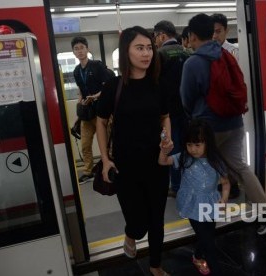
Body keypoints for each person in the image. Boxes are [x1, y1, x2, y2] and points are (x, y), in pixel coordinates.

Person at [180, 13, 266, 235]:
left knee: (203, 172)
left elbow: (186, 99)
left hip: (207, 128)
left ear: (193, 36)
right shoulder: (227, 55)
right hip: (234, 123)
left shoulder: (193, 62)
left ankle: (206, 222)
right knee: (241, 167)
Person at [96, 26, 172, 276]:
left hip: (156, 164)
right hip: (125, 166)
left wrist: (166, 143)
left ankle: (155, 266)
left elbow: (165, 117)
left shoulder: (158, 85)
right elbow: (101, 121)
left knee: (156, 219)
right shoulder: (114, 86)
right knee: (139, 224)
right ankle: (130, 235)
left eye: (149, 47)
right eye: (139, 48)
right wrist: (105, 160)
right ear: (126, 52)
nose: (146, 53)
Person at [158, 119, 231, 275]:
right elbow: (162, 161)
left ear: (208, 143)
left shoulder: (216, 161)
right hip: (191, 204)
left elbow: (225, 184)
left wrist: (224, 199)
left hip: (211, 204)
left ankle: (197, 256)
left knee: (208, 235)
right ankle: (215, 270)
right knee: (209, 244)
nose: (192, 149)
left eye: (197, 145)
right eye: (189, 144)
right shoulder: (184, 157)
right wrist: (164, 150)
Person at [153, 20, 190, 198]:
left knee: (172, 146)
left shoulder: (159, 54)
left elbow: (155, 83)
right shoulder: (188, 52)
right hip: (187, 110)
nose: (155, 41)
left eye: (155, 37)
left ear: (162, 35)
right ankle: (189, 179)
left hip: (168, 111)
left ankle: (176, 185)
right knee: (188, 145)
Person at [72, 36, 111, 183]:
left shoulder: (97, 66)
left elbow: (108, 87)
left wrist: (94, 97)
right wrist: (79, 109)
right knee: (85, 144)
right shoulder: (76, 71)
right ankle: (88, 171)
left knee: (106, 142)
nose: (80, 51)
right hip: (86, 114)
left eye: (82, 47)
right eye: (76, 49)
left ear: (87, 49)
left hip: (101, 112)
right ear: (73, 52)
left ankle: (108, 165)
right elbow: (81, 92)